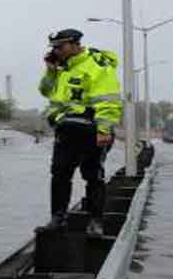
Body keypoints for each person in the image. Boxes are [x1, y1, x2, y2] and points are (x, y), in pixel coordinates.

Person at [38, 28, 122, 236]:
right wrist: (51, 70)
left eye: (60, 46)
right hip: (67, 129)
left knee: (93, 175)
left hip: (92, 129)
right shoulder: (62, 68)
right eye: (54, 48)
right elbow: (46, 91)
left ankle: (95, 221)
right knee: (59, 174)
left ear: (75, 44)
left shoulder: (97, 65)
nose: (56, 51)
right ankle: (58, 218)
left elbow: (107, 100)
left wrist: (103, 130)